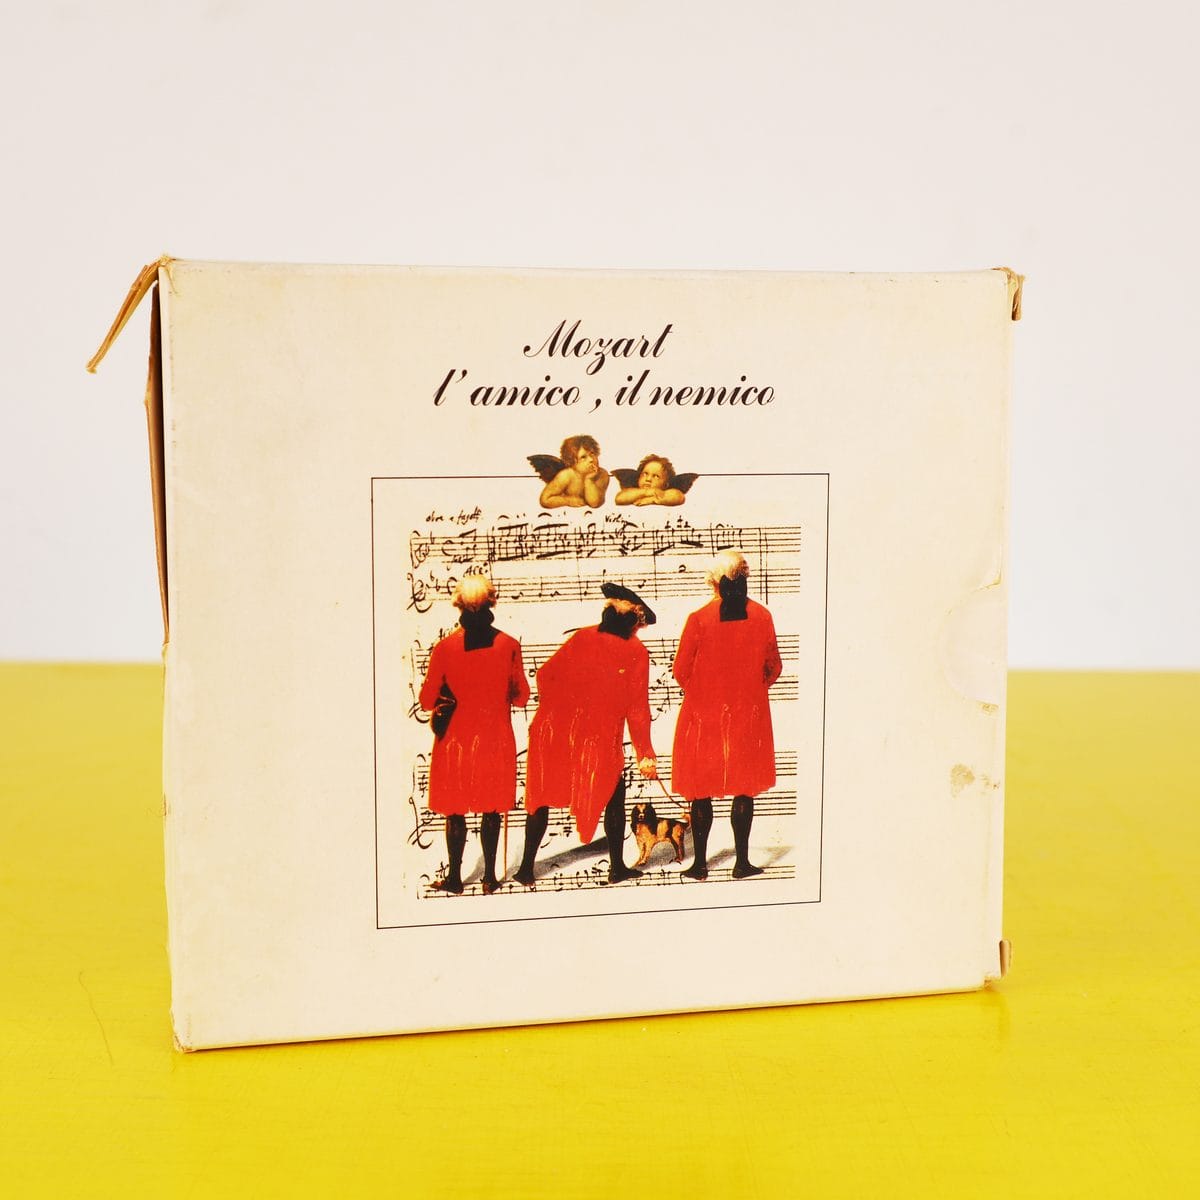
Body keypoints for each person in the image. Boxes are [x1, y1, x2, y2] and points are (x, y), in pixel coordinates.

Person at [515, 583, 658, 886]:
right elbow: (637, 708)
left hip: (554, 731)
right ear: (635, 620)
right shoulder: (636, 651)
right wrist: (645, 753)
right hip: (597, 736)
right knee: (614, 794)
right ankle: (616, 867)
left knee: (540, 797)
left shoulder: (581, 637)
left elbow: (545, 675)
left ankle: (526, 869)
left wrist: (563, 706)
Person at [671, 551, 782, 880]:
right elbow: (774, 668)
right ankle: (741, 863)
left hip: (704, 715)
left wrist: (706, 694)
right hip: (748, 714)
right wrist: (748, 691)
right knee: (743, 788)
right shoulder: (762, 615)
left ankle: (700, 865)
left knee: (700, 789)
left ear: (713, 582)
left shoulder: (698, 619)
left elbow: (680, 671)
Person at [418, 575, 529, 894]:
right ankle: (490, 877)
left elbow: (426, 700)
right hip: (494, 739)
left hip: (454, 741)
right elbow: (521, 697)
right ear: (491, 602)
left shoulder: (444, 648)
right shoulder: (509, 645)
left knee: (455, 811)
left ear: (459, 606)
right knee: (491, 808)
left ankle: (455, 878)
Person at [539, 435, 611, 508]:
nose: (591, 459)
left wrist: (589, 480)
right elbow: (545, 500)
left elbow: (594, 504)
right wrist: (567, 501)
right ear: (572, 462)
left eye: (592, 454)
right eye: (583, 457)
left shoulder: (602, 474)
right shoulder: (566, 475)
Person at [614, 453, 687, 507]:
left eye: (656, 476)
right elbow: (619, 498)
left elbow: (679, 496)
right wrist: (646, 492)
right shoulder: (634, 491)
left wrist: (653, 499)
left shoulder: (664, 493)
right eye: (645, 474)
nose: (648, 479)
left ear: (666, 485)